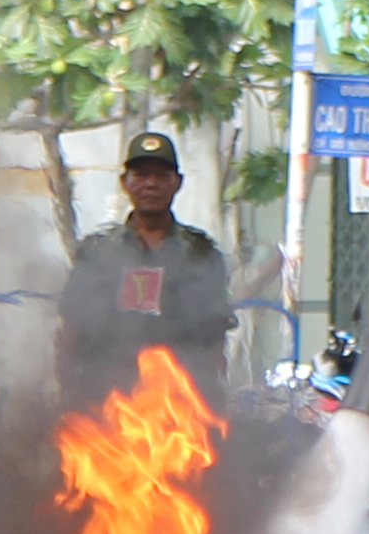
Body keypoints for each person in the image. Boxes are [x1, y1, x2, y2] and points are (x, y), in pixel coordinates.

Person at [56, 128, 239, 416]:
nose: (151, 184)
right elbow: (72, 326)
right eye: (141, 175)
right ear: (125, 182)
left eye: (161, 176)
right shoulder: (97, 250)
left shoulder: (201, 252)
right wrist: (67, 387)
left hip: (181, 400)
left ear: (177, 183)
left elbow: (216, 333)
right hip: (107, 396)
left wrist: (213, 390)